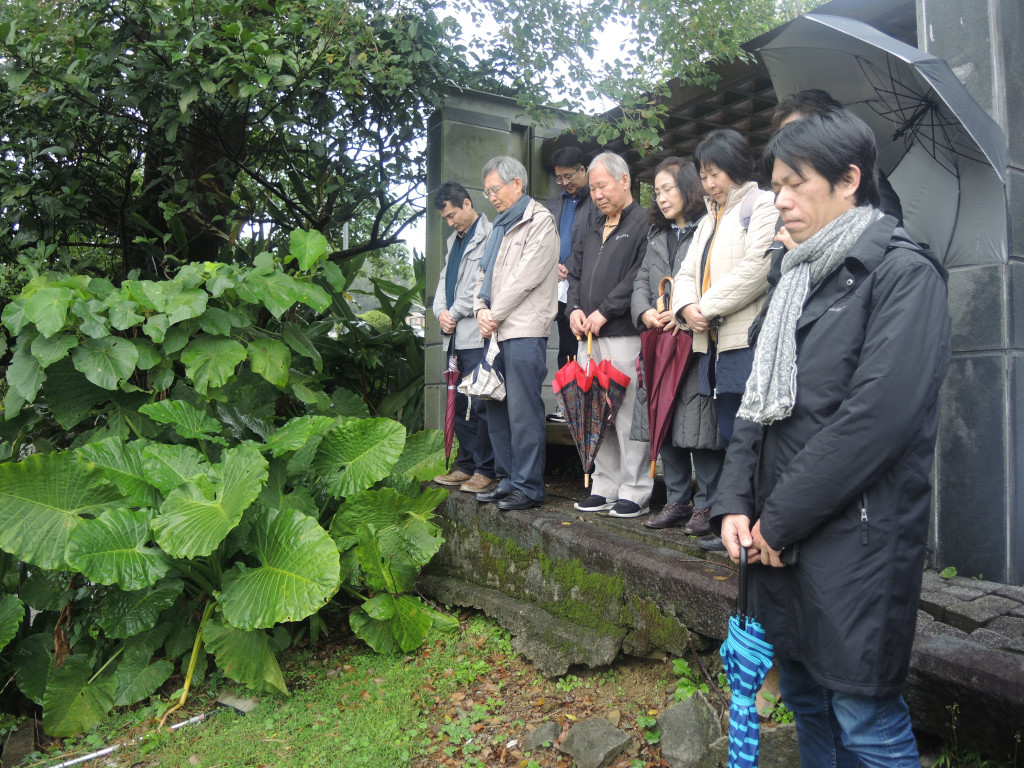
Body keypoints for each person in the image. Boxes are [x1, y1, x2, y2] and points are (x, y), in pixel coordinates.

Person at [714, 110, 951, 767]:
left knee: (864, 715)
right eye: (773, 184)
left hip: (856, 538)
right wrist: (736, 501)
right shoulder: (792, 281)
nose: (779, 199)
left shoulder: (903, 275)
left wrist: (778, 523)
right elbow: (754, 413)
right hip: (777, 539)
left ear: (849, 180)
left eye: (795, 183)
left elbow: (874, 421)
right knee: (808, 697)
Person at [670, 129, 777, 541]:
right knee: (731, 434)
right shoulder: (709, 217)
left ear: (735, 166)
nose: (709, 183)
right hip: (712, 343)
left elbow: (758, 270)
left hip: (744, 339)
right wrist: (685, 308)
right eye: (704, 175)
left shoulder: (761, 204)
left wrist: (706, 307)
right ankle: (735, 522)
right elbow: (684, 271)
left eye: (714, 173)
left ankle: (752, 524)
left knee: (747, 437)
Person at [628, 158, 713, 530]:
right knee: (664, 419)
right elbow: (641, 282)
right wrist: (645, 313)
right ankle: (677, 501)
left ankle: (707, 505)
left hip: (693, 339)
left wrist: (680, 313)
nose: (661, 198)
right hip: (659, 341)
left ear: (690, 187)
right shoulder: (656, 234)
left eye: (669, 189)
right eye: (657, 192)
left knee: (699, 427)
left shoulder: (709, 228)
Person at [566, 152, 652, 518]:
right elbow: (572, 274)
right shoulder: (590, 229)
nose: (597, 194)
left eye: (602, 186)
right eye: (594, 189)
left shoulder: (646, 223)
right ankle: (604, 485)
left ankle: (635, 489)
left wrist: (606, 310)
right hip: (588, 337)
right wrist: (574, 310)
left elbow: (639, 275)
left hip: (622, 333)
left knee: (629, 412)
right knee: (594, 412)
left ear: (624, 181)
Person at [473, 156, 559, 511]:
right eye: (487, 191)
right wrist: (480, 308)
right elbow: (484, 276)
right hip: (495, 329)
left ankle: (529, 486)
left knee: (523, 411)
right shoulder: (499, 227)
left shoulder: (540, 222)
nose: (491, 197)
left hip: (524, 328)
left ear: (517, 184)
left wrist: (492, 313)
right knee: (496, 407)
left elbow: (525, 277)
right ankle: (507, 479)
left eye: (495, 189)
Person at [431, 182, 497, 494]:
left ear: (468, 204)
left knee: (479, 403)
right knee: (458, 404)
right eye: (445, 218)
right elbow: (444, 281)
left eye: (453, 215)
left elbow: (480, 285)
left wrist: (453, 314)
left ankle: (485, 469)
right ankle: (466, 465)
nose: (450, 221)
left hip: (476, 335)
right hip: (454, 337)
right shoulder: (453, 241)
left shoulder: (490, 235)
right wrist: (440, 312)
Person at [545, 147, 599, 423]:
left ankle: (583, 405)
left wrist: (573, 267)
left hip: (584, 286)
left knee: (579, 346)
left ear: (583, 170)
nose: (565, 182)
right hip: (554, 286)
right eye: (559, 178)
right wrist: (551, 264)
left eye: (569, 176)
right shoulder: (554, 205)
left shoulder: (597, 201)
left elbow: (596, 243)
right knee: (564, 347)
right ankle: (566, 404)